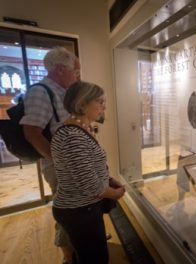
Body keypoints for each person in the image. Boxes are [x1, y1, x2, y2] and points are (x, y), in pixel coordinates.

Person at [51, 81, 125, 264]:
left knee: (87, 254)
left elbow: (88, 168)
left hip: (82, 208)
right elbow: (90, 185)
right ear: (82, 104)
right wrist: (114, 193)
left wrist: (109, 179)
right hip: (79, 211)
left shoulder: (78, 130)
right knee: (95, 259)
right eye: (99, 101)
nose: (104, 107)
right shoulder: (72, 136)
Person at [20, 46, 80, 263]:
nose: (77, 75)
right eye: (75, 70)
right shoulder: (40, 91)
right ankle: (68, 255)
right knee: (67, 209)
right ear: (59, 69)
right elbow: (31, 131)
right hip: (60, 166)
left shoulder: (60, 90)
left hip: (71, 162)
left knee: (76, 206)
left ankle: (78, 245)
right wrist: (58, 161)